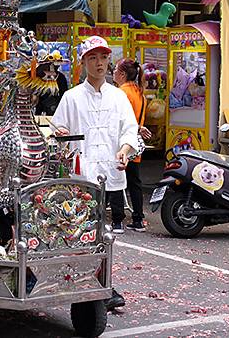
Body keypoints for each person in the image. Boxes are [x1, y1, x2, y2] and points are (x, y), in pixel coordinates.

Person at [51, 36, 139, 311]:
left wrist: (125, 151)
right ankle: (85, 281)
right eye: (92, 58)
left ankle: (101, 284)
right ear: (83, 63)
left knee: (103, 233)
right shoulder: (71, 97)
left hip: (109, 173)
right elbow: (58, 131)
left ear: (109, 61)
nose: (99, 63)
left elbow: (129, 131)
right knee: (80, 232)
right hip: (81, 176)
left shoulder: (118, 97)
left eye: (103, 57)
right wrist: (60, 134)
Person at [113, 58, 152, 232]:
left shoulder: (121, 93)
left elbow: (119, 119)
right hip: (135, 141)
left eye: (115, 69)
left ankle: (117, 220)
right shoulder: (139, 91)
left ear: (122, 74)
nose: (112, 72)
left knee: (117, 179)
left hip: (122, 141)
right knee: (134, 181)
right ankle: (138, 218)